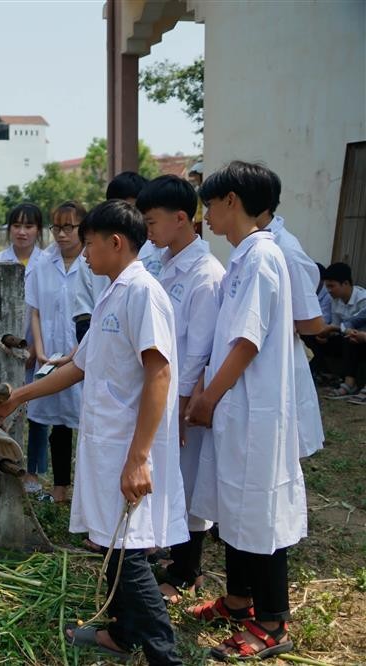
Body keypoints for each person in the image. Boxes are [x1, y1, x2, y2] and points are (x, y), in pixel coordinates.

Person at [0, 199, 187, 665]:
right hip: (105, 440)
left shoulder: (143, 293)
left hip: (128, 444)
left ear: (115, 243)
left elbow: (159, 373)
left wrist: (140, 456)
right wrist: (19, 396)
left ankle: (164, 655)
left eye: (89, 243)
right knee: (112, 541)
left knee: (129, 549)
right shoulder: (111, 292)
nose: (83, 253)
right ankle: (121, 634)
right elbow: (80, 364)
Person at [186, 161, 304, 662]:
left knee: (259, 510)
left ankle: (272, 621)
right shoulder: (244, 257)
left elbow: (247, 340)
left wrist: (209, 396)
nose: (206, 214)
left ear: (231, 200)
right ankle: (238, 600)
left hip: (251, 410)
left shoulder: (261, 257)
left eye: (209, 204)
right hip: (238, 409)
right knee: (234, 503)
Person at [137, 175, 225, 604]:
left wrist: (186, 401)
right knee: (172, 477)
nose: (147, 230)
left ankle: (188, 570)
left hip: (185, 396)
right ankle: (172, 555)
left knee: (189, 482)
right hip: (167, 393)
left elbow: (202, 348)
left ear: (180, 218)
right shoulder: (166, 263)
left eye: (151, 221)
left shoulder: (206, 274)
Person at [23, 201, 104, 503]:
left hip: (84, 354)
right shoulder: (42, 262)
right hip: (50, 355)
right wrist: (41, 350)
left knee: (85, 420)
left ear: (82, 229)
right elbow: (35, 310)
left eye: (68, 227)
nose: (61, 234)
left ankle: (86, 491)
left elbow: (93, 312)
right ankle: (59, 489)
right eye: (56, 227)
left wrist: (77, 350)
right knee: (55, 421)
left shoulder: (94, 263)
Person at [256, 170, 327, 457]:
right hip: (263, 365)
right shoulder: (254, 246)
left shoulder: (285, 249)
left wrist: (277, 323)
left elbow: (313, 322)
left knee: (283, 455)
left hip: (280, 359)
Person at [311, 262, 366, 398]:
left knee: (350, 339)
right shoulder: (335, 300)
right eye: (327, 286)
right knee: (314, 337)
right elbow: (337, 325)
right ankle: (324, 373)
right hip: (350, 338)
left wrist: (335, 329)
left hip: (359, 340)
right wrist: (326, 334)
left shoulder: (362, 299)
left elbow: (353, 323)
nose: (329, 290)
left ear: (345, 283)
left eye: (332, 286)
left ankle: (349, 384)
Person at [108, 171, 162, 277]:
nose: (129, 216)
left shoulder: (161, 248)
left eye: (135, 210)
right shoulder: (94, 251)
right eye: (123, 210)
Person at [0, 202, 44, 270]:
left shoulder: (49, 262)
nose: (21, 232)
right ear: (9, 228)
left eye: (28, 227)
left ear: (38, 230)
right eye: (16, 226)